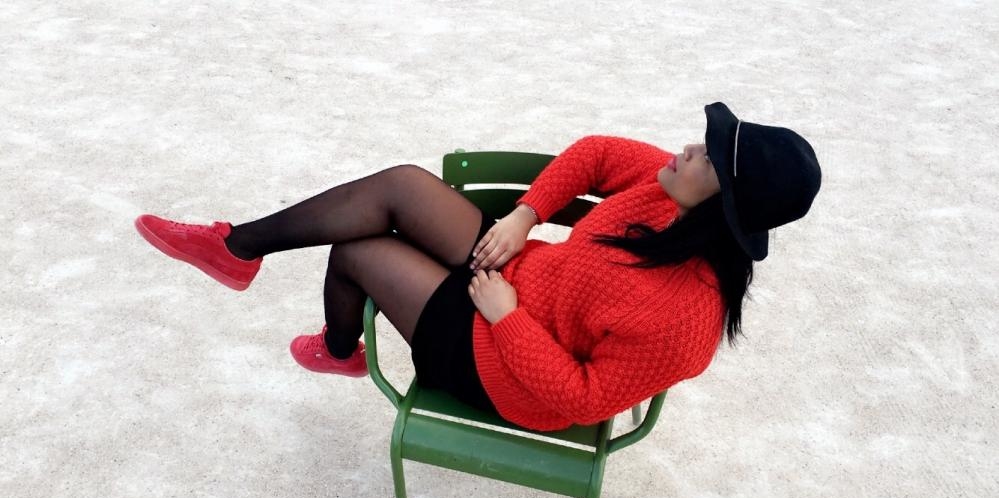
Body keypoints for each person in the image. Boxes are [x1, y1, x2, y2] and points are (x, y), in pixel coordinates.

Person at [135, 102, 821, 431]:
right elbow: (594, 153)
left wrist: (508, 319)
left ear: (727, 205)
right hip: (512, 272)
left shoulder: (685, 319)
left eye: (708, 158)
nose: (688, 149)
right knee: (402, 185)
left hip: (502, 364)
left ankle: (341, 350)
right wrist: (525, 216)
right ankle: (235, 248)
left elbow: (582, 401)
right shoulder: (668, 188)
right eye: (705, 141)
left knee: (356, 254)